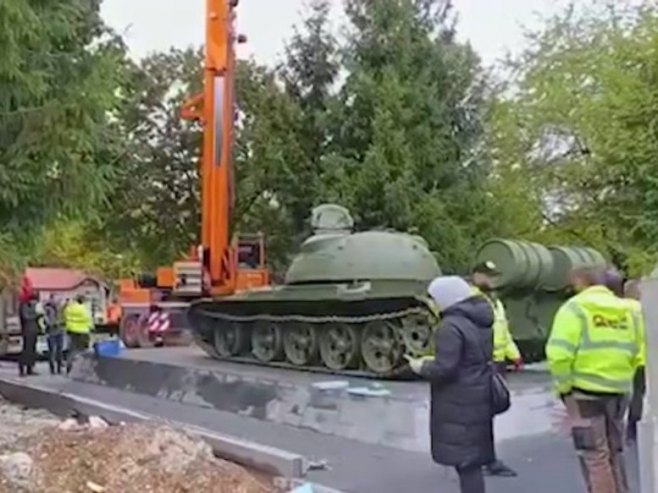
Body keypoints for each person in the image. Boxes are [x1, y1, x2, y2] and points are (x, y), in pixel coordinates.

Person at [546, 267, 639, 493]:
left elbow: (559, 354)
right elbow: (640, 349)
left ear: (581, 283)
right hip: (619, 389)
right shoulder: (630, 310)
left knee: (594, 456)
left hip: (584, 393)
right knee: (615, 451)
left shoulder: (575, 308)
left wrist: (564, 389)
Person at [406, 276, 495, 493]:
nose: (433, 304)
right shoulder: (480, 321)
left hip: (458, 401)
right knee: (471, 463)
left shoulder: (450, 326)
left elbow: (445, 368)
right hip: (478, 395)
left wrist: (420, 367)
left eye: (435, 299)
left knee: (465, 465)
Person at [470, 261, 520, 477]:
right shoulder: (470, 300)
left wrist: (514, 354)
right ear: (476, 276)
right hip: (481, 364)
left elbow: (503, 331)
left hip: (496, 363)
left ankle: (484, 458)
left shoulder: (495, 302)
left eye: (493, 276)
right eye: (487, 276)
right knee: (479, 414)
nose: (491, 280)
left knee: (488, 412)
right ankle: (484, 459)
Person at [622, 279, 646, 443]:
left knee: (626, 396)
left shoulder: (616, 309)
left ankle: (629, 430)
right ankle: (635, 427)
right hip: (644, 359)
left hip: (621, 359)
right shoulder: (644, 309)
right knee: (640, 395)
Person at [18, 288, 44, 377]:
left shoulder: (33, 306)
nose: (35, 303)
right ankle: (22, 368)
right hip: (28, 330)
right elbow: (26, 317)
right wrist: (37, 315)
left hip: (34, 330)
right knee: (26, 350)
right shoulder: (24, 306)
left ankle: (30, 368)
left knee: (32, 350)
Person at [63, 295, 93, 375]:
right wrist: (91, 327)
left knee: (72, 350)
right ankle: (82, 369)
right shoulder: (84, 309)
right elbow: (88, 319)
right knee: (83, 351)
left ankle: (69, 368)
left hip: (71, 331)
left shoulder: (69, 308)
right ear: (82, 301)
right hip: (83, 331)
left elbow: (65, 316)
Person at [44, 295, 64, 375]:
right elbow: (46, 320)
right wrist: (52, 323)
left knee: (60, 350)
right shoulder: (47, 309)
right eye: (55, 299)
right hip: (51, 331)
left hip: (59, 331)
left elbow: (63, 317)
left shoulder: (60, 309)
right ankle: (52, 369)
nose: (57, 301)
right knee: (52, 350)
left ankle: (59, 368)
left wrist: (61, 323)